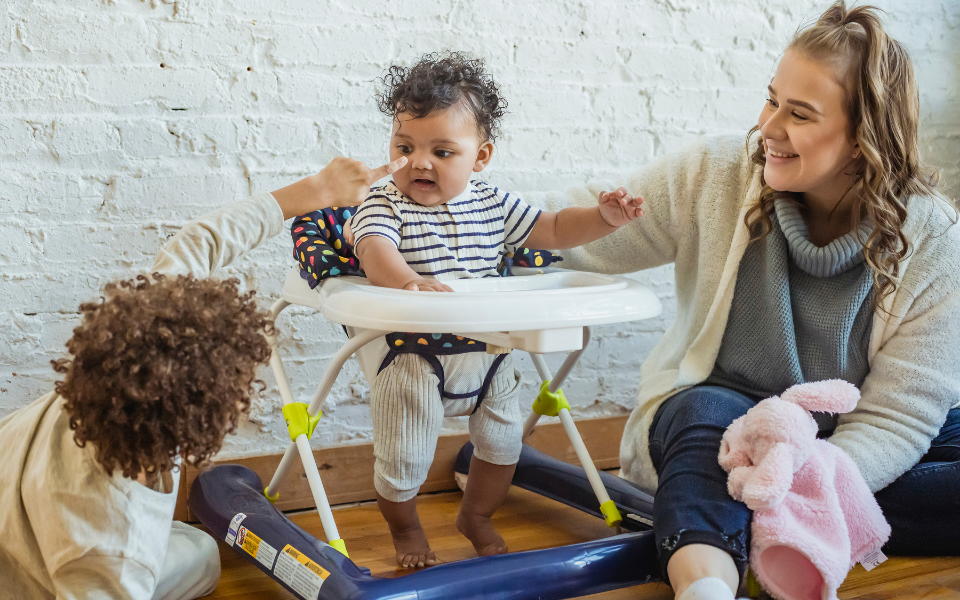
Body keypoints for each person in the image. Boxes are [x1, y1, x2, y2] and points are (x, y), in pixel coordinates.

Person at [526, 3, 960, 599]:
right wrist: (439, 221)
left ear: (864, 140)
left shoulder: (932, 237)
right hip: (716, 423)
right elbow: (571, 231)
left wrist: (800, 476)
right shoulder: (717, 172)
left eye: (799, 114)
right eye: (771, 98)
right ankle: (712, 582)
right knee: (708, 423)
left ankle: (751, 518)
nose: (769, 126)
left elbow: (899, 417)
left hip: (842, 441)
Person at [294, 51, 644, 569]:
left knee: (503, 450)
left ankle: (476, 516)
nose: (419, 162)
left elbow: (550, 228)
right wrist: (411, 283)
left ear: (479, 157)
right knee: (403, 462)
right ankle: (408, 529)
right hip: (411, 356)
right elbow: (374, 251)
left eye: (442, 150)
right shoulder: (382, 203)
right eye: (404, 146)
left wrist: (602, 217)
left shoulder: (492, 203)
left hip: (491, 349)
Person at [0, 155, 405, 600]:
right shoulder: (115, 553)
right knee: (202, 555)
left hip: (19, 485)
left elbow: (202, 241)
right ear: (195, 420)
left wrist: (319, 190)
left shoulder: (112, 381)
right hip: (30, 574)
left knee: (189, 543)